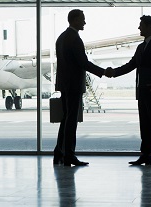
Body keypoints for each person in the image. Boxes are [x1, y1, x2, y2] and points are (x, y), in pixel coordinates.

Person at [105, 15, 151, 167]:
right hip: (142, 92)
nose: (139, 28)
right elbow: (131, 65)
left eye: (141, 25)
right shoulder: (141, 47)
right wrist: (114, 72)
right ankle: (145, 155)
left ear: (149, 27)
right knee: (145, 125)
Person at [54, 9, 105, 166]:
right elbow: (83, 63)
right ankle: (69, 155)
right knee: (71, 121)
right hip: (74, 85)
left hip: (64, 84)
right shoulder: (75, 39)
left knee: (65, 119)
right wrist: (102, 71)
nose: (84, 22)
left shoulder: (61, 38)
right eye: (82, 19)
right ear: (74, 20)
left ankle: (59, 153)